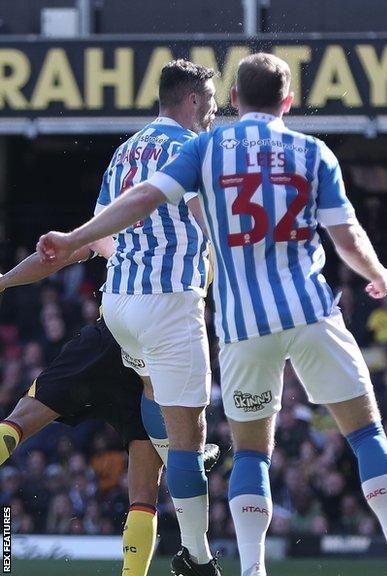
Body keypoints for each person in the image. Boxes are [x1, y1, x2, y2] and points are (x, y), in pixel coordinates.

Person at [38, 53, 387, 576]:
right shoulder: (313, 152)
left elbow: (144, 198)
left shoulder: (206, 147)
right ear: (289, 101)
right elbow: (347, 237)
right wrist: (377, 273)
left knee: (250, 456)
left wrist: (74, 237)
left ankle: (252, 569)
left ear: (236, 100)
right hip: (311, 312)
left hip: (243, 328)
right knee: (366, 436)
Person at [10, 59, 220, 576]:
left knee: (152, 393)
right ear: (192, 100)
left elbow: (98, 236)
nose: (215, 114)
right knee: (188, 440)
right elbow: (204, 218)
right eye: (211, 104)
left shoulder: (126, 151)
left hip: (119, 305)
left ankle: (178, 468)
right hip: (169, 303)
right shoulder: (191, 149)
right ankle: (199, 556)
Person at [0, 242, 220, 576]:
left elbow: (59, 253)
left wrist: (4, 280)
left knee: (18, 422)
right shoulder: (207, 238)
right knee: (144, 492)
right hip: (159, 354)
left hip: (109, 338)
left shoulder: (128, 214)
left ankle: (185, 457)